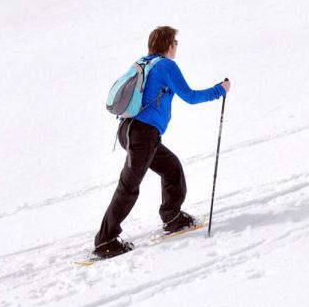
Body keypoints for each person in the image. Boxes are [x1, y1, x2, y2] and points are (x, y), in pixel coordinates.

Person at [93, 26, 229, 259]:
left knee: (171, 168)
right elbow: (190, 96)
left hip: (130, 131)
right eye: (175, 43)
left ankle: (172, 217)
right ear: (169, 45)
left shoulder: (143, 63)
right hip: (142, 135)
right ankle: (105, 241)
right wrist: (220, 90)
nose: (176, 47)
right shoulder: (166, 65)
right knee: (129, 186)